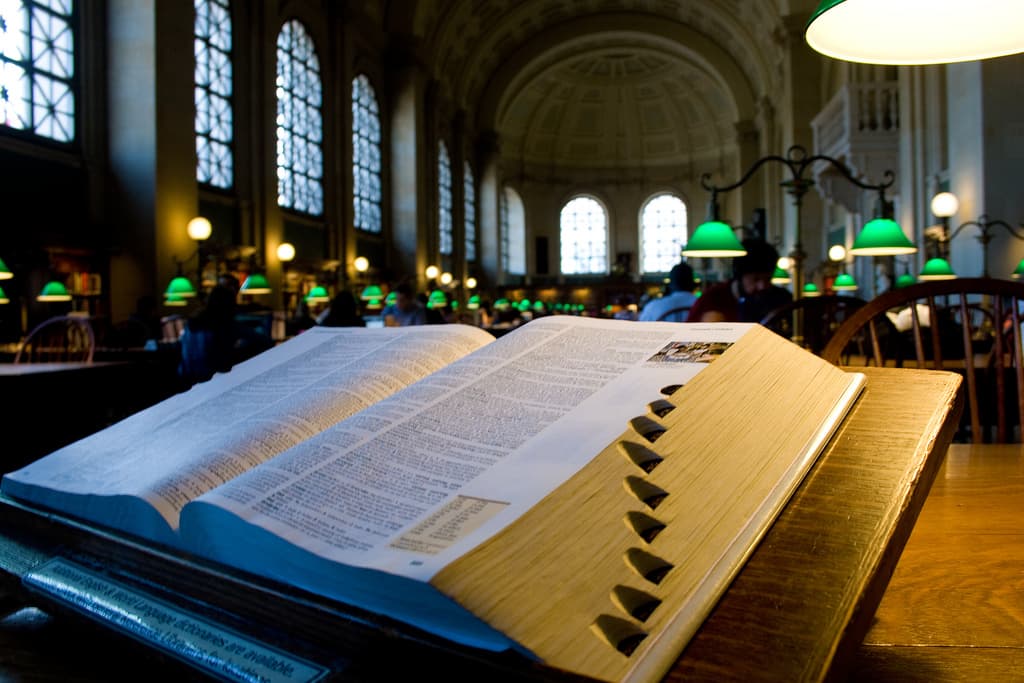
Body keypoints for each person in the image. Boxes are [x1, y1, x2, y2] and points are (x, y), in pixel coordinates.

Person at [178, 283, 274, 386]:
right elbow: (265, 340)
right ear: (230, 305)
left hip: (187, 379)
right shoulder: (224, 324)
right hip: (212, 379)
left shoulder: (193, 322)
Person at [687, 238, 792, 323]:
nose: (763, 286)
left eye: (768, 279)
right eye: (756, 279)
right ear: (739, 276)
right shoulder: (712, 299)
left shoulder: (782, 298)